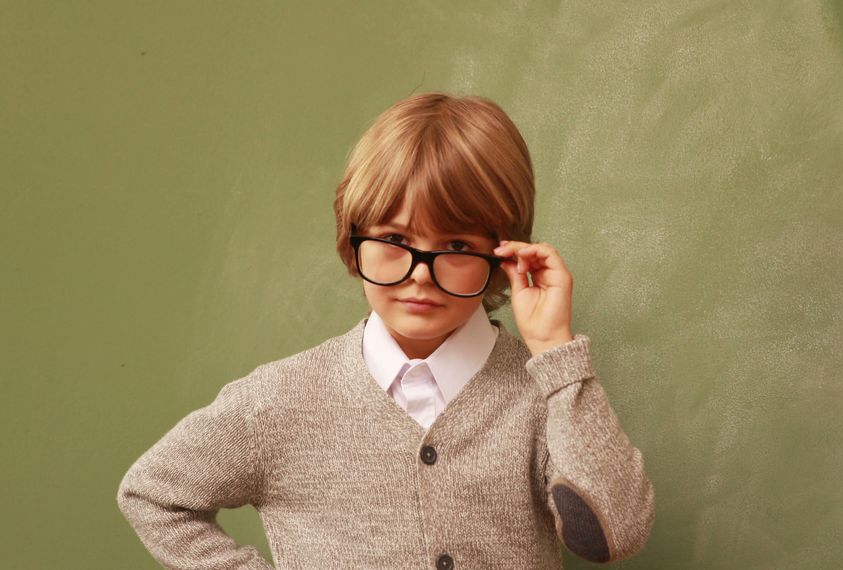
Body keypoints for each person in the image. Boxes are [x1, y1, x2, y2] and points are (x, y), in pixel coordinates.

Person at [117, 92, 655, 569]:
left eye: (458, 246)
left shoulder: (543, 392)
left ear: (503, 254)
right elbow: (153, 493)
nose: (420, 273)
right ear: (354, 240)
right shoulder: (279, 401)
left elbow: (619, 534)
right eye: (395, 238)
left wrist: (556, 353)